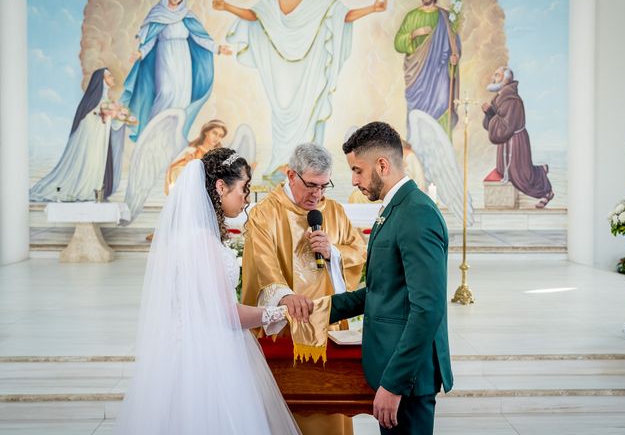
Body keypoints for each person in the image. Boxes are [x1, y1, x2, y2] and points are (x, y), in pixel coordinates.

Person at [113, 148, 300, 435]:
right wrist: (282, 312)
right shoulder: (203, 242)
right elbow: (227, 314)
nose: (247, 198)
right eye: (244, 189)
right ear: (221, 186)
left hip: (179, 350)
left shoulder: (181, 238)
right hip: (207, 357)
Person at [213, 0, 387, 179]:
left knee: (309, 112)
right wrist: (226, 6)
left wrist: (372, 8)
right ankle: (281, 164)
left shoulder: (321, 2)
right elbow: (253, 15)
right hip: (281, 73)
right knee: (281, 114)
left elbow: (344, 16)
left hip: (310, 70)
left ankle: (308, 168)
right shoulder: (273, 0)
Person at [330, 122, 453, 434]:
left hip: (409, 378)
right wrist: (318, 309)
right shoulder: (396, 208)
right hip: (397, 368)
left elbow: (427, 308)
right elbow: (382, 290)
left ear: (382, 165)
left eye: (358, 170)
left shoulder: (416, 213)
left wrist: (394, 384)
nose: (354, 180)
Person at [242, 142, 366, 435]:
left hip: (329, 328)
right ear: (291, 175)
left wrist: (334, 252)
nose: (318, 195)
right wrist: (284, 296)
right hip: (285, 328)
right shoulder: (265, 214)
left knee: (330, 409)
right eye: (311, 185)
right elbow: (262, 263)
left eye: (324, 186)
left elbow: (358, 250)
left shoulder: (333, 211)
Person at [121, 0, 230, 142]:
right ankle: (151, 134)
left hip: (183, 58)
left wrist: (218, 49)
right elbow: (151, 40)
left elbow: (199, 38)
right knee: (165, 92)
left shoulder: (186, 15)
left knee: (182, 97)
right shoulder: (157, 14)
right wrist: (140, 52)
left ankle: (171, 137)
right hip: (165, 55)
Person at [30, 68, 126, 201]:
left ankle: (96, 190)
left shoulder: (106, 100)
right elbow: (89, 122)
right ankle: (87, 189)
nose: (112, 78)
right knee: (90, 165)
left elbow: (107, 121)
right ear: (101, 81)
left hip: (100, 144)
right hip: (92, 145)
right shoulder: (93, 102)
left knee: (97, 166)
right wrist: (107, 116)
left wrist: (119, 118)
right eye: (109, 76)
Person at [394, 0, 460, 136]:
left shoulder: (445, 17)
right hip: (418, 76)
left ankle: (441, 154)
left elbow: (454, 44)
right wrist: (415, 33)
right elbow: (398, 43)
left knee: (442, 108)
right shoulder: (412, 16)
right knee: (416, 115)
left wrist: (455, 58)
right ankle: (417, 154)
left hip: (440, 76)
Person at [481, 66, 554, 208]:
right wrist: (489, 113)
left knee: (522, 177)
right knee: (506, 171)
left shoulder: (512, 101)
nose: (492, 78)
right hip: (506, 144)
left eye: (496, 75)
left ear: (505, 80)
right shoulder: (499, 98)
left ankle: (546, 191)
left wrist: (490, 113)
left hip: (515, 144)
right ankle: (540, 170)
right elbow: (495, 123)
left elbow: (505, 128)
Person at [164, 119, 228, 194]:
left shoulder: (220, 156)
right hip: (192, 193)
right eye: (214, 133)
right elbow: (173, 171)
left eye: (220, 136)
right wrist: (189, 166)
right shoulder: (191, 152)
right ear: (206, 132)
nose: (217, 138)